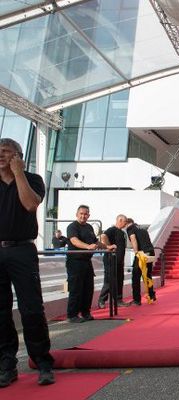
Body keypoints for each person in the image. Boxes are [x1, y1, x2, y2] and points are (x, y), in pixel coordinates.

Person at [0, 138, 54, 387]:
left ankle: (42, 362)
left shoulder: (32, 179)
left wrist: (18, 173)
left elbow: (31, 204)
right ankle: (6, 364)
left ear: (19, 156)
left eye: (7, 152)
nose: (2, 155)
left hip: (22, 249)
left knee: (31, 308)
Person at [66, 205, 105, 323]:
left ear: (89, 215)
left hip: (87, 262)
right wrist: (87, 247)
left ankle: (85, 313)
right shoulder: (72, 227)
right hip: (75, 261)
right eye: (81, 213)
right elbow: (74, 240)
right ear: (77, 214)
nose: (83, 216)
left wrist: (107, 247)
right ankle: (72, 315)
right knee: (76, 288)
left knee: (88, 288)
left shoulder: (89, 227)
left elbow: (95, 242)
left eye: (86, 214)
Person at [97, 214, 129, 309]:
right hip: (110, 259)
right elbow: (103, 236)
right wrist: (108, 246)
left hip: (119, 261)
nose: (126, 223)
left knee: (119, 280)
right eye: (125, 221)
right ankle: (102, 300)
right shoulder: (112, 229)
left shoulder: (121, 232)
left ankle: (118, 300)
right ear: (119, 220)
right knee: (109, 280)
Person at [126, 218, 157, 305]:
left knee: (136, 276)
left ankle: (136, 300)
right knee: (147, 275)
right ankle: (151, 295)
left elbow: (133, 239)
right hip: (150, 252)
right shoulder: (142, 229)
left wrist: (136, 252)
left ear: (128, 223)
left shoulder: (130, 228)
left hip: (142, 253)